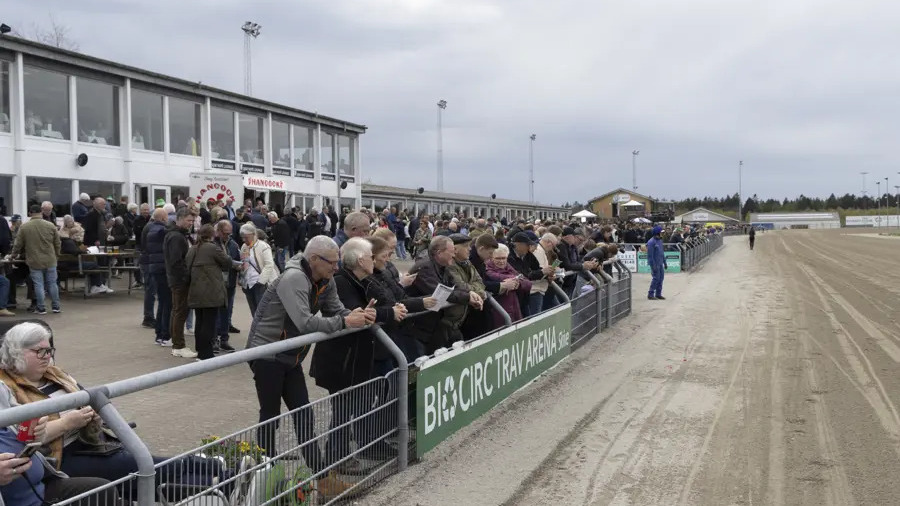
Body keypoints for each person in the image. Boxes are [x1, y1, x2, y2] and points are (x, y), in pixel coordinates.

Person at [0, 322, 223, 498]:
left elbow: (88, 398)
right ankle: (222, 474)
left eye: (49, 350)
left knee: (141, 474)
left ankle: (219, 482)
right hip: (61, 456)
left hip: (91, 441)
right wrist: (69, 423)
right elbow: (22, 437)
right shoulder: (7, 388)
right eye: (39, 351)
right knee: (142, 465)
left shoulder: (55, 373)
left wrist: (91, 413)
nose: (47, 356)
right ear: (16, 353)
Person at [244, 236, 373, 496]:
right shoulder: (294, 278)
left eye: (338, 263)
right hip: (267, 354)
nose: (336, 268)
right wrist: (346, 323)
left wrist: (357, 315)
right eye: (332, 263)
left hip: (291, 357)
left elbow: (336, 310)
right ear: (314, 260)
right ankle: (266, 480)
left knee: (304, 416)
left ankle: (324, 482)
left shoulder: (326, 279)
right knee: (271, 416)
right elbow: (304, 323)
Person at [310, 238, 405, 472]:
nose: (374, 261)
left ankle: (342, 455)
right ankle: (337, 458)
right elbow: (359, 314)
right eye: (371, 257)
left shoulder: (364, 281)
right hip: (341, 360)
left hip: (356, 357)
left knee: (352, 406)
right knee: (342, 411)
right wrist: (388, 313)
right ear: (361, 260)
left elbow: (379, 307)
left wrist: (390, 310)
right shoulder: (342, 282)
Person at [406, 236, 483, 353]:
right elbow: (441, 293)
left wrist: (470, 292)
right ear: (439, 253)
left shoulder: (443, 267)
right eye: (451, 252)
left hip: (434, 325)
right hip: (417, 328)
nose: (454, 255)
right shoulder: (425, 267)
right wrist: (468, 297)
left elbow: (456, 287)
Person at [186, 225, 232, 360]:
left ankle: (200, 350)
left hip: (195, 290)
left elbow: (186, 267)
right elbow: (227, 262)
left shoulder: (193, 248)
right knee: (209, 323)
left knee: (200, 321)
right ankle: (206, 353)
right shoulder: (212, 248)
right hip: (211, 291)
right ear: (212, 235)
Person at [10, 206, 62, 315]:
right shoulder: (50, 225)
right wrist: (57, 255)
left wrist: (13, 255)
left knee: (39, 284)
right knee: (52, 284)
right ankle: (56, 307)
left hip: (34, 260)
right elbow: (57, 243)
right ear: (41, 212)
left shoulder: (24, 227)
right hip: (50, 259)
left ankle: (41, 308)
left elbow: (18, 244)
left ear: (30, 213)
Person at [164, 208, 198, 358]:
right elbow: (176, 261)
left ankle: (177, 343)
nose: (190, 223)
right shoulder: (176, 237)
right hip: (179, 280)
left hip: (178, 279)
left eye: (192, 221)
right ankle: (178, 345)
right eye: (188, 220)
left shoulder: (178, 235)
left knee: (178, 311)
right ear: (180, 219)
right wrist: (186, 277)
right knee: (180, 311)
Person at [485, 244, 532, 327]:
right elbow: (495, 277)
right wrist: (517, 279)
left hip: (514, 308)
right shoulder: (487, 269)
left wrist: (517, 283)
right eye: (498, 258)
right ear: (491, 258)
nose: (501, 261)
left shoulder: (508, 266)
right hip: (497, 311)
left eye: (504, 258)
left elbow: (528, 283)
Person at [238, 224, 278, 318]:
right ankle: (256, 331)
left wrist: (261, 281)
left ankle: (263, 331)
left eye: (246, 238)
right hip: (248, 283)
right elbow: (243, 262)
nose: (244, 240)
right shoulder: (244, 246)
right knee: (254, 311)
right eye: (242, 238)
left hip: (260, 283)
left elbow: (269, 265)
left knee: (262, 312)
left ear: (253, 234)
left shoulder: (263, 246)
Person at [214, 220, 241, 352]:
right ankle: (214, 339)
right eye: (225, 233)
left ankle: (224, 339)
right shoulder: (213, 244)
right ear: (218, 231)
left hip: (229, 282)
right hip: (216, 283)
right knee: (215, 312)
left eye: (229, 234)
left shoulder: (233, 244)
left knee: (227, 311)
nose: (227, 236)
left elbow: (238, 261)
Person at [647, 225, 667, 300]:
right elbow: (650, 256)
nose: (662, 234)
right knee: (656, 278)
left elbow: (662, 253)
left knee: (661, 278)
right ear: (657, 233)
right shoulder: (651, 242)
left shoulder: (660, 241)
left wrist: (665, 262)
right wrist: (653, 266)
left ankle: (658, 294)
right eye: (661, 232)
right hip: (655, 264)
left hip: (660, 263)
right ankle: (650, 294)